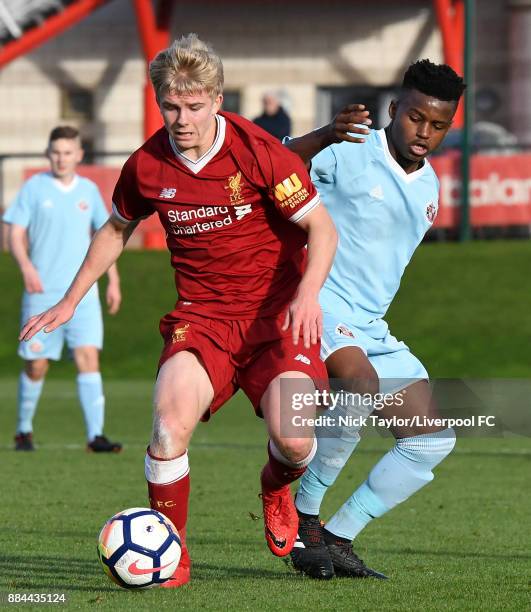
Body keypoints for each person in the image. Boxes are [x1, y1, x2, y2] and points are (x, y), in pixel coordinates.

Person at [19, 34, 337, 587]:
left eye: (194, 106)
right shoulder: (147, 165)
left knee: (296, 440)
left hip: (278, 318)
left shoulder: (261, 152)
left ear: (217, 100)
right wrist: (70, 299)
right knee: (167, 428)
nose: (182, 119)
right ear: (159, 101)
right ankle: (171, 552)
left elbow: (321, 228)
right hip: (203, 319)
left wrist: (309, 292)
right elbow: (117, 227)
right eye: (171, 106)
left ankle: (277, 486)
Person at [285, 59, 466, 579]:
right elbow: (273, 163)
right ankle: (305, 516)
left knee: (432, 439)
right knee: (359, 383)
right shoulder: (348, 149)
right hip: (320, 305)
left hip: (370, 325)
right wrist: (321, 135)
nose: (423, 133)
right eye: (415, 118)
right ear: (394, 109)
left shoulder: (430, 187)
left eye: (438, 126)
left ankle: (339, 536)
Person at [4, 126, 122, 453]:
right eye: (56, 152)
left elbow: (108, 235)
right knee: (36, 365)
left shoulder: (88, 191)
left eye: (68, 152)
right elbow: (14, 233)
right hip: (43, 293)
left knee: (88, 358)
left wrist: (112, 280)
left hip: (83, 295)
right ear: (48, 154)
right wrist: (26, 267)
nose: (61, 158)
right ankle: (24, 430)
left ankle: (95, 436)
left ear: (79, 155)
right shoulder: (33, 188)